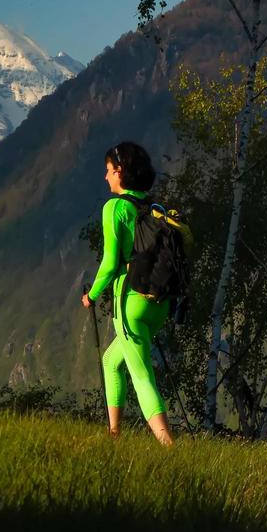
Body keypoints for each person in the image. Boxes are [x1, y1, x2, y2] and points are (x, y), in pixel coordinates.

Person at [80, 141, 175, 445]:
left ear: (120, 172)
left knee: (141, 374)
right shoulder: (153, 208)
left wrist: (92, 296)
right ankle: (114, 434)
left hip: (129, 298)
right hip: (158, 301)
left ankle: (168, 445)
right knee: (112, 361)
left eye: (109, 171)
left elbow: (109, 264)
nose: (106, 177)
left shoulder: (115, 207)